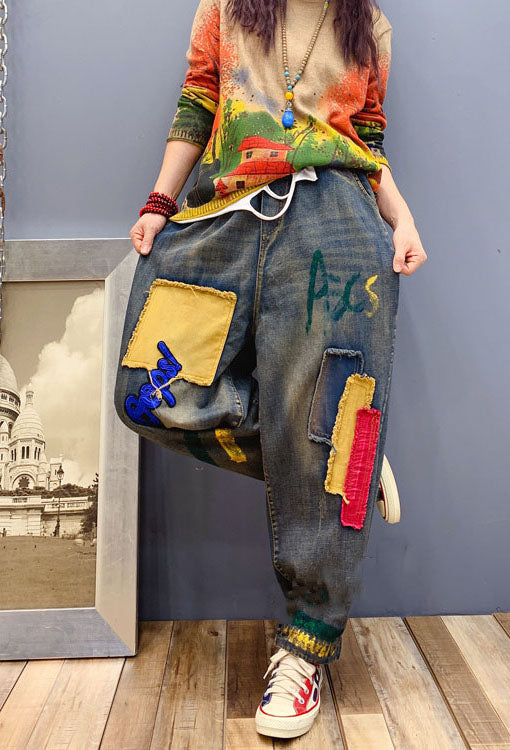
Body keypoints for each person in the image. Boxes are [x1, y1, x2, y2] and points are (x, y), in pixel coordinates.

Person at [113, 0, 427, 739]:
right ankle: (340, 462)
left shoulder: (369, 27)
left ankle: (305, 650)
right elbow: (199, 101)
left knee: (333, 426)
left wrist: (402, 218)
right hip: (226, 216)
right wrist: (160, 201)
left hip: (337, 226)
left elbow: (367, 140)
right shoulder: (225, 7)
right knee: (147, 394)